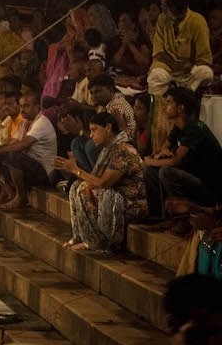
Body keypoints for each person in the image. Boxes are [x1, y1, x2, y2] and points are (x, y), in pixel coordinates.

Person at [55, 111, 148, 251]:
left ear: (108, 128)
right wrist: (73, 170)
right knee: (76, 186)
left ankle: (100, 242)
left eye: (94, 130)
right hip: (117, 197)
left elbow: (103, 183)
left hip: (133, 203)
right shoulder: (108, 149)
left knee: (85, 190)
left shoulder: (123, 149)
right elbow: (96, 178)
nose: (91, 135)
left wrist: (76, 170)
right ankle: (81, 237)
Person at [144, 86, 222, 215]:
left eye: (169, 103)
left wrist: (149, 161)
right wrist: (160, 155)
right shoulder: (178, 127)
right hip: (193, 179)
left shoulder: (194, 128)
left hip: (209, 187)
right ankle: (157, 217)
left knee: (166, 171)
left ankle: (183, 218)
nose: (164, 107)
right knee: (151, 172)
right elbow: (162, 150)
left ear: (180, 108)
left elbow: (175, 161)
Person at [0, 90, 57, 208]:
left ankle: (20, 197)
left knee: (13, 156)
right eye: (21, 106)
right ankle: (10, 193)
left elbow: (22, 145)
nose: (22, 110)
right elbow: (12, 142)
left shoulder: (42, 123)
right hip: (30, 167)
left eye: (26, 106)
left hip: (45, 172)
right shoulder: (25, 122)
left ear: (37, 106)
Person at [147, 0, 213, 96]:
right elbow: (158, 52)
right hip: (168, 69)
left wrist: (189, 67)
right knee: (155, 76)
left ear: (174, 8)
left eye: (164, 6)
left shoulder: (198, 21)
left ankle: (184, 97)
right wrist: (174, 65)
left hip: (189, 72)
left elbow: (204, 58)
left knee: (206, 72)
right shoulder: (162, 19)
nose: (162, 9)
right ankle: (158, 111)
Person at [87, 73, 137, 140]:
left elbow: (108, 136)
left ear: (110, 89)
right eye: (92, 93)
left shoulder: (116, 106)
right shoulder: (104, 105)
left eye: (98, 91)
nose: (93, 96)